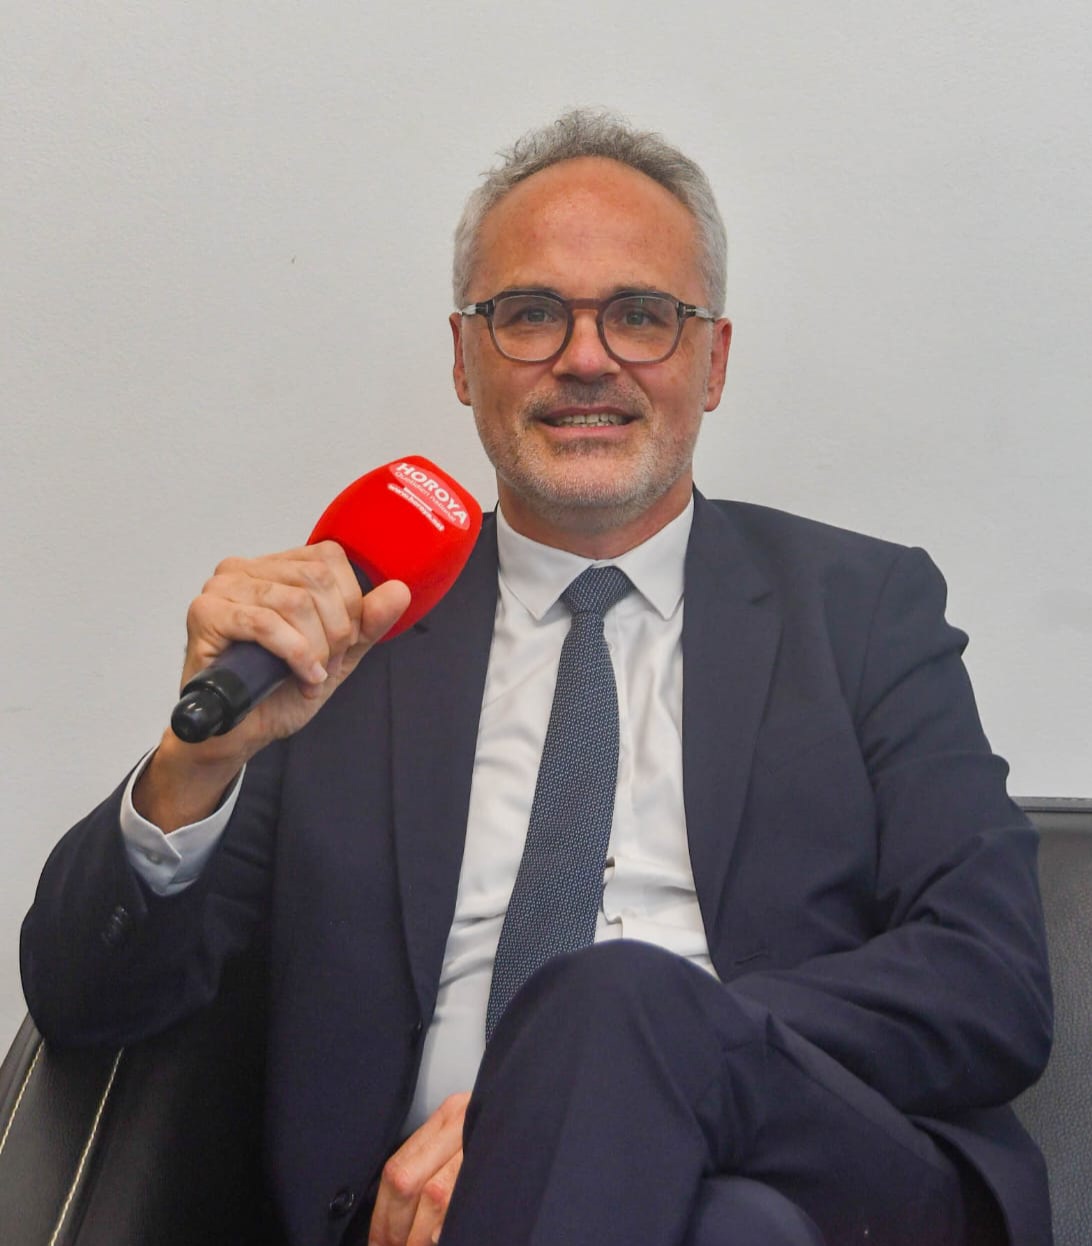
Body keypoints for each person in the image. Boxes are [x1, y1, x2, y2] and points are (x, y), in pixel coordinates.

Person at [21, 110, 1051, 1246]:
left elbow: (990, 981)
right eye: (530, 315)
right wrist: (197, 763)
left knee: (620, 1004)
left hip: (834, 1180)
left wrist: (609, 1076)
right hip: (470, 1221)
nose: (586, 358)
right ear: (464, 360)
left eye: (642, 315)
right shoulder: (353, 640)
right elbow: (84, 1001)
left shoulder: (862, 609)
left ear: (713, 362)